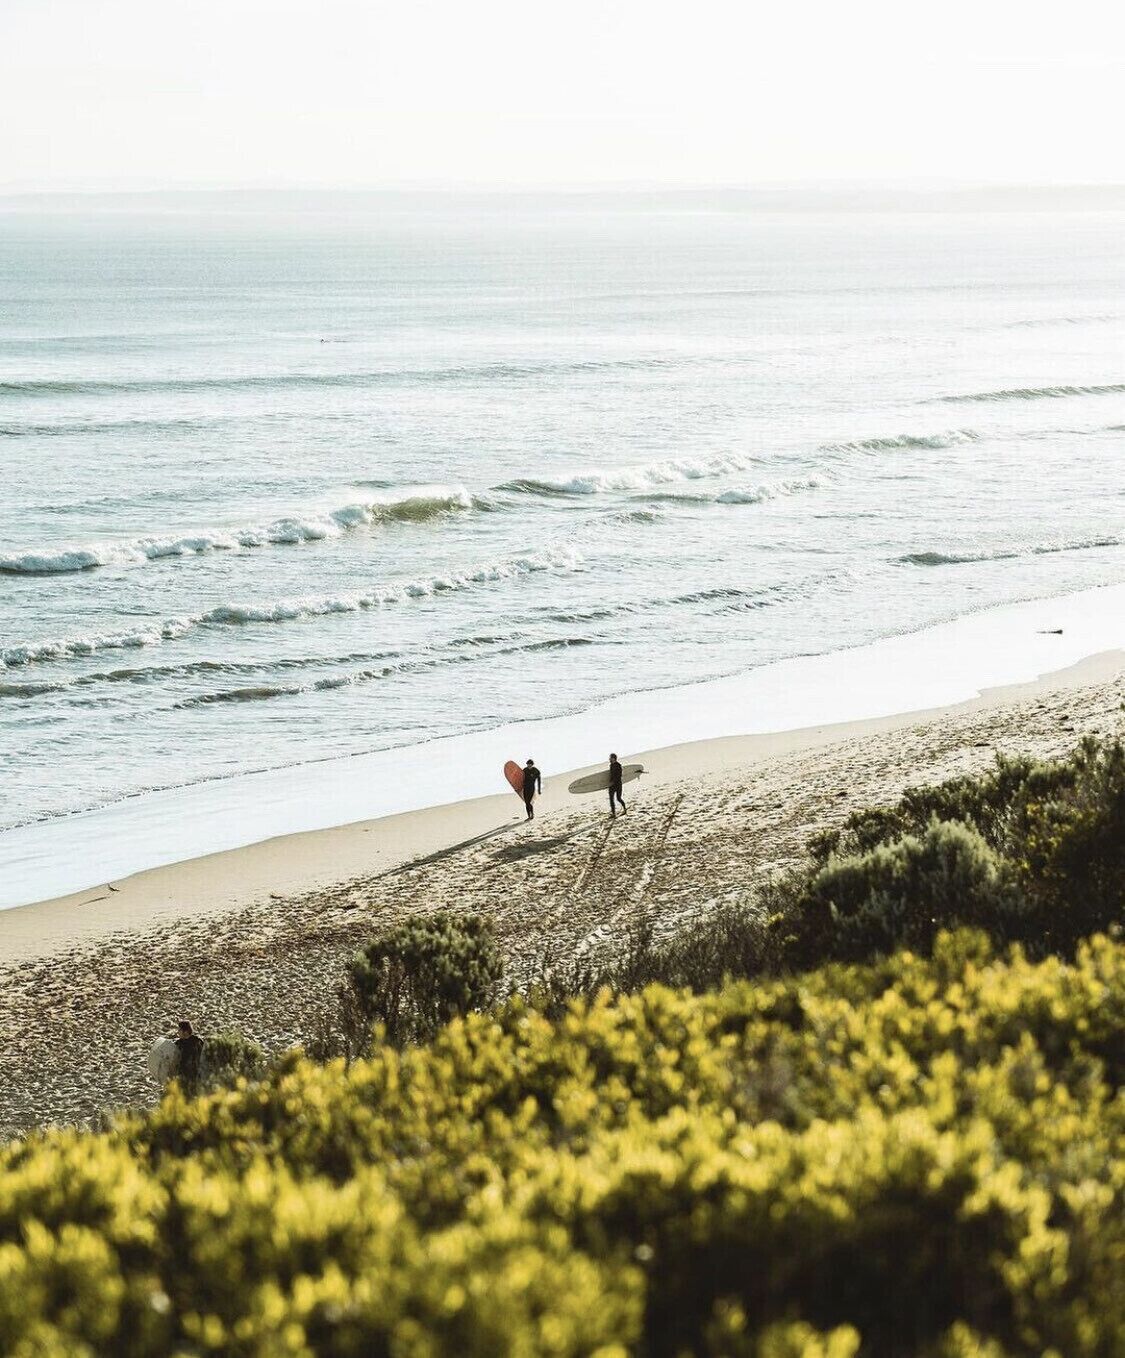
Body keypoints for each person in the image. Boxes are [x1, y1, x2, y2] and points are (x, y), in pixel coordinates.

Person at [174, 1019, 205, 1093]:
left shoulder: (197, 1042)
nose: (178, 1032)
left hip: (194, 1074)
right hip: (186, 1075)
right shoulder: (179, 1043)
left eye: (179, 1030)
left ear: (186, 1031)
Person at [608, 753, 626, 818]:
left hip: (618, 784)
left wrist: (613, 782)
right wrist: (609, 784)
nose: (609, 759)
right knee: (611, 799)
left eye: (610, 758)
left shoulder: (618, 765)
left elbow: (619, 775)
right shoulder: (611, 765)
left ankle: (624, 809)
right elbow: (611, 775)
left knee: (618, 798)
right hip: (612, 786)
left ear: (613, 758)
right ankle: (613, 813)